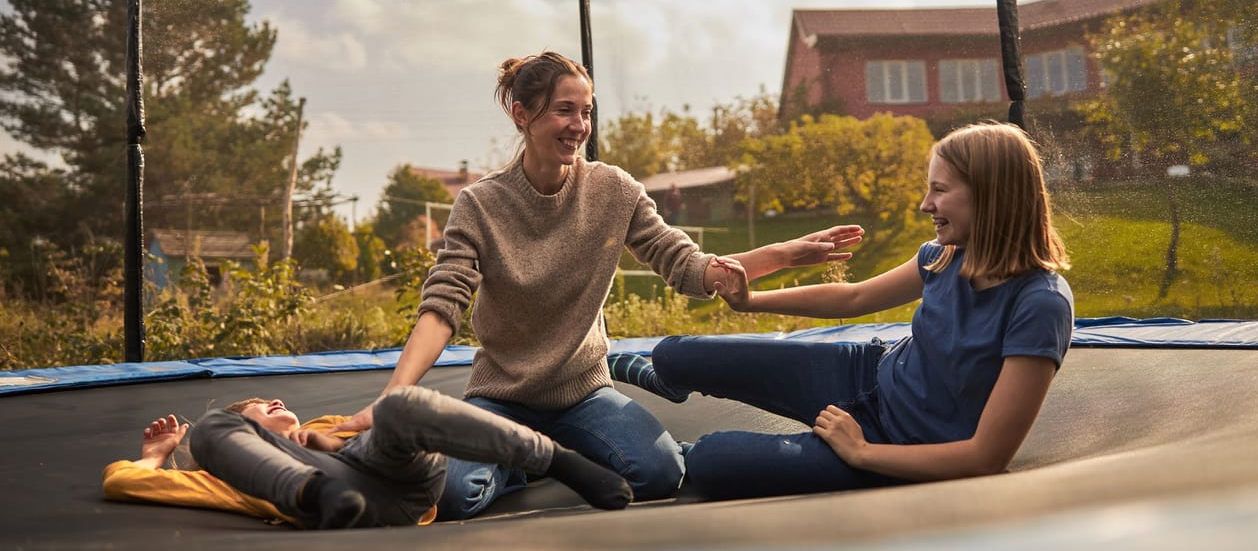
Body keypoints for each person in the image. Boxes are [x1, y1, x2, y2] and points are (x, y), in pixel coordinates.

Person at [330, 50, 864, 518]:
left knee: (658, 475)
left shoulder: (613, 190)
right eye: (564, 110)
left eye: (586, 112)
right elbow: (443, 306)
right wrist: (394, 396)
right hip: (502, 397)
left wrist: (785, 252)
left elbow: (686, 265)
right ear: (522, 114)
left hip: (583, 391)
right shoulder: (480, 204)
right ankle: (528, 458)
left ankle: (546, 447)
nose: (579, 125)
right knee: (451, 496)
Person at [614, 121, 1074, 500]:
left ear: (990, 196)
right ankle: (668, 383)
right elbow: (853, 298)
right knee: (675, 354)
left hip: (892, 443)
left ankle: (688, 451)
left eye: (939, 190)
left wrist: (861, 453)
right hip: (864, 373)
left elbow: (985, 458)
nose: (924, 204)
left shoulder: (1040, 304)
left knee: (709, 461)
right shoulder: (944, 255)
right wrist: (750, 301)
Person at [104, 387, 632, 530]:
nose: (277, 403)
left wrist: (330, 443)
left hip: (398, 477)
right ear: (252, 430)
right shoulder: (228, 470)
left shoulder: (324, 424)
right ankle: (318, 491)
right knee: (211, 425)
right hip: (330, 497)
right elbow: (122, 483)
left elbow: (397, 430)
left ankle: (559, 459)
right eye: (263, 407)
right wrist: (154, 456)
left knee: (398, 404)